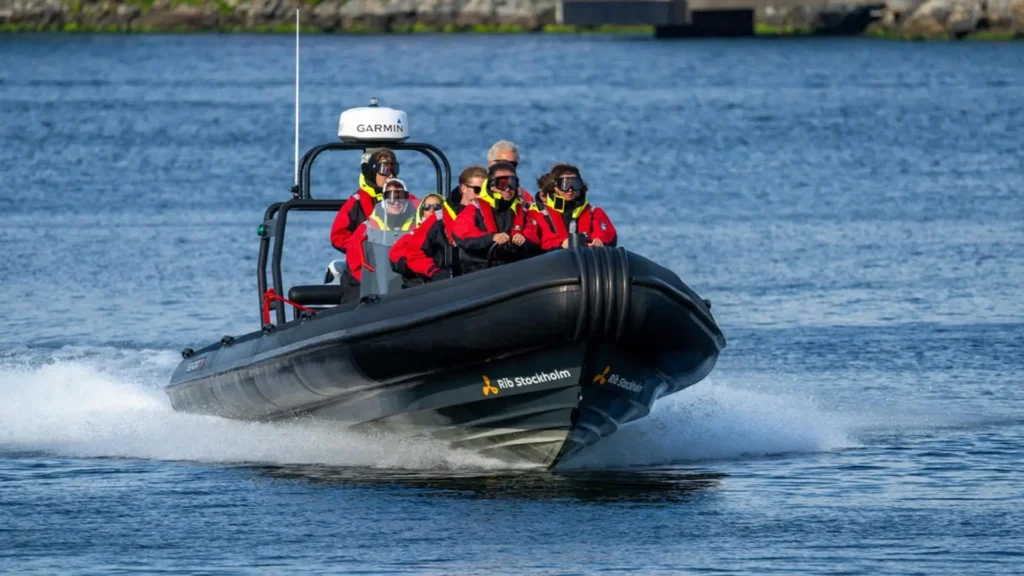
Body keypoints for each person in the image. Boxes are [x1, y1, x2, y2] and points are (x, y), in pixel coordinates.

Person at [452, 161, 540, 274]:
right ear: (491, 185)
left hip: (515, 269)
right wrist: (491, 238)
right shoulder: (473, 210)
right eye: (502, 183)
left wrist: (524, 240)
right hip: (480, 271)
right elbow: (463, 235)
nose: (507, 189)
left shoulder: (522, 212)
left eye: (512, 183)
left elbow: (534, 236)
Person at [342, 179, 417, 301]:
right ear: (383, 200)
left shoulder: (417, 226)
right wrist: (371, 280)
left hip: (405, 283)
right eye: (390, 196)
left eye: (400, 196)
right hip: (373, 284)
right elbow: (355, 261)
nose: (395, 201)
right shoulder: (366, 228)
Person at [330, 148, 403, 252]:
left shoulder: (407, 199)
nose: (390, 175)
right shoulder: (356, 202)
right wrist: (361, 248)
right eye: (384, 169)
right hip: (367, 263)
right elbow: (338, 237)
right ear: (373, 172)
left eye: (394, 169)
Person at [530, 164, 617, 250]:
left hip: (585, 258)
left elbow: (607, 235)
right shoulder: (538, 212)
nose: (570, 189)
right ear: (555, 187)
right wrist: (561, 244)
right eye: (565, 184)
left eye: (575, 184)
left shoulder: (594, 212)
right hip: (553, 259)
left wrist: (599, 242)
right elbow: (540, 239)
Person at [390, 193, 454, 286]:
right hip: (421, 284)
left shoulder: (451, 233)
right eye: (427, 207)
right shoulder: (410, 237)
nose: (432, 210)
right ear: (421, 211)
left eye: (437, 207)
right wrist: (430, 270)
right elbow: (396, 258)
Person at [487, 140, 534, 208]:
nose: (508, 168)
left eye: (512, 165)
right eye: (502, 163)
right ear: (490, 163)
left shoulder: (526, 197)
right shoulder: (475, 190)